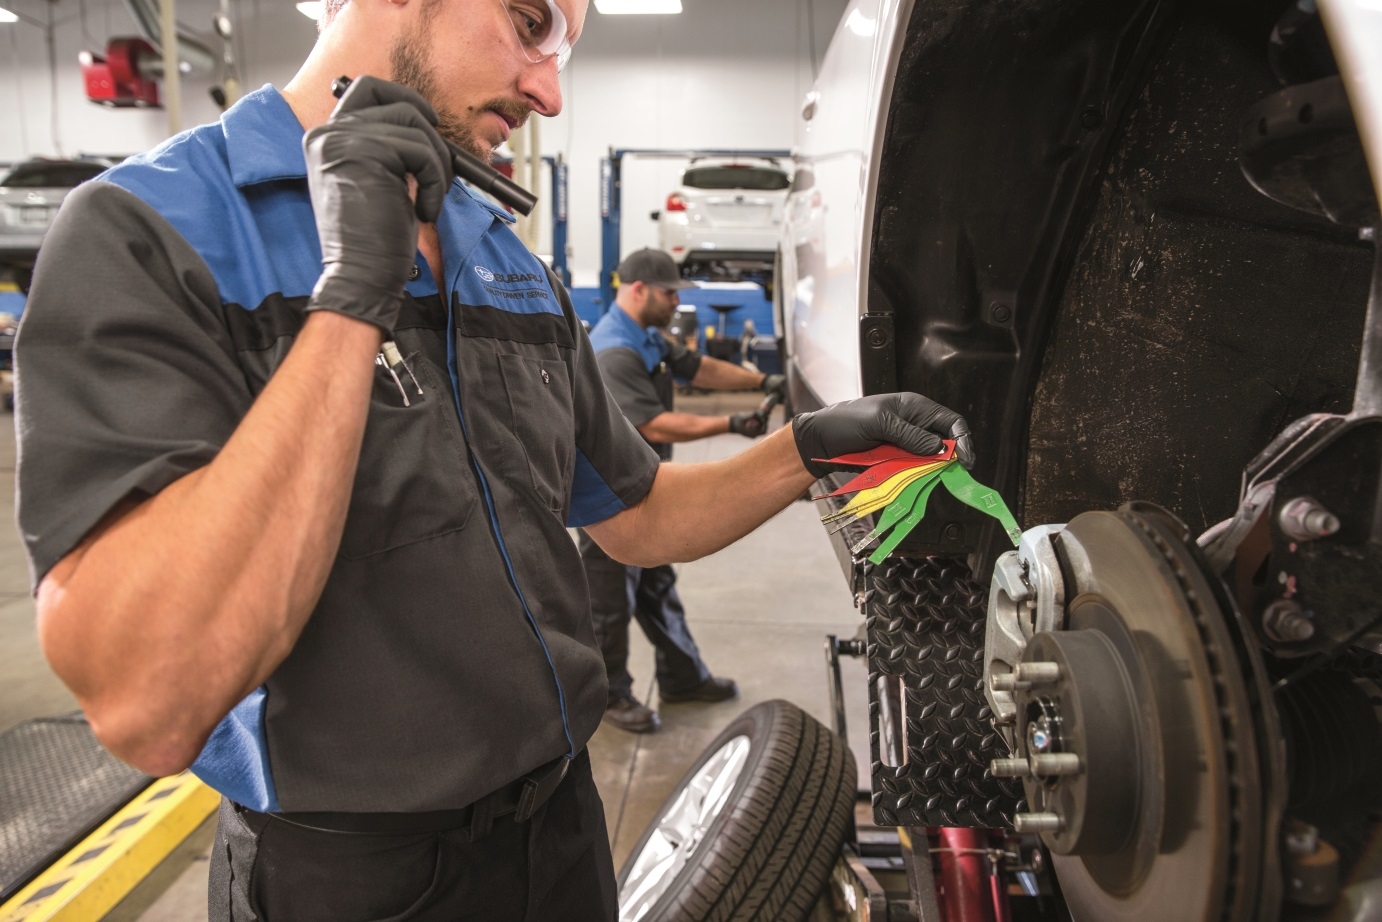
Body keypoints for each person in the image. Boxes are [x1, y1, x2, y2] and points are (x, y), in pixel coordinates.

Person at [13, 0, 974, 918]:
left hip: (559, 831)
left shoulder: (502, 258)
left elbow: (635, 516)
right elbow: (149, 698)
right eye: (529, 24)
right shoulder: (151, 232)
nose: (548, 92)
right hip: (355, 879)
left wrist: (802, 451)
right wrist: (353, 292)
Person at [580, 247, 785, 734]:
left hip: (643, 487)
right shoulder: (614, 349)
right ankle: (608, 698)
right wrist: (732, 422)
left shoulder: (647, 336)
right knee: (609, 601)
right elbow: (655, 424)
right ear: (638, 290)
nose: (677, 301)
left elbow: (701, 369)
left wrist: (764, 379)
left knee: (657, 586)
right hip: (608, 499)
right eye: (670, 292)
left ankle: (682, 677)